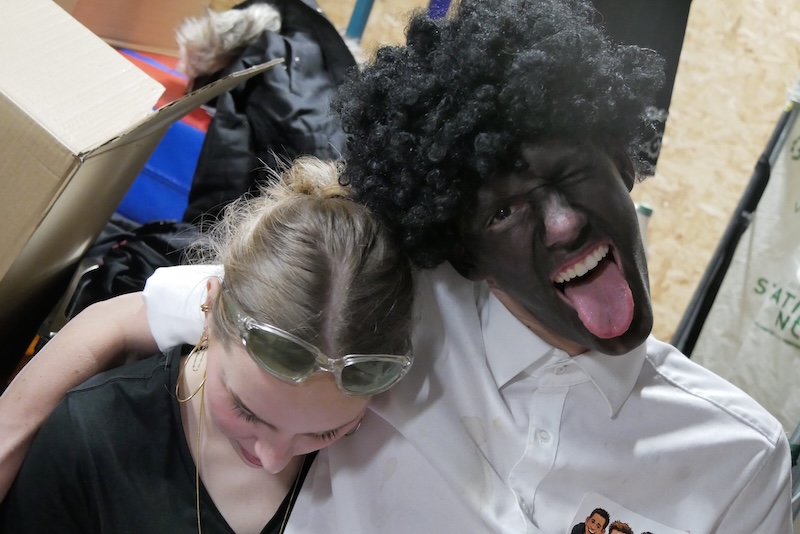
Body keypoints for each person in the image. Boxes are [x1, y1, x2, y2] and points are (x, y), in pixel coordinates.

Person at [0, 0, 793, 532]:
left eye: (575, 174)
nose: (560, 223)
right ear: (460, 244)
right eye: (502, 211)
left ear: (623, 164)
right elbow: (149, 313)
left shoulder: (740, 459)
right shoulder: (391, 306)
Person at [0, 157, 414, 533]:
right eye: (246, 411)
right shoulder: (93, 439)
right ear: (209, 308)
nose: (273, 459)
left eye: (325, 432)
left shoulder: (388, 461)